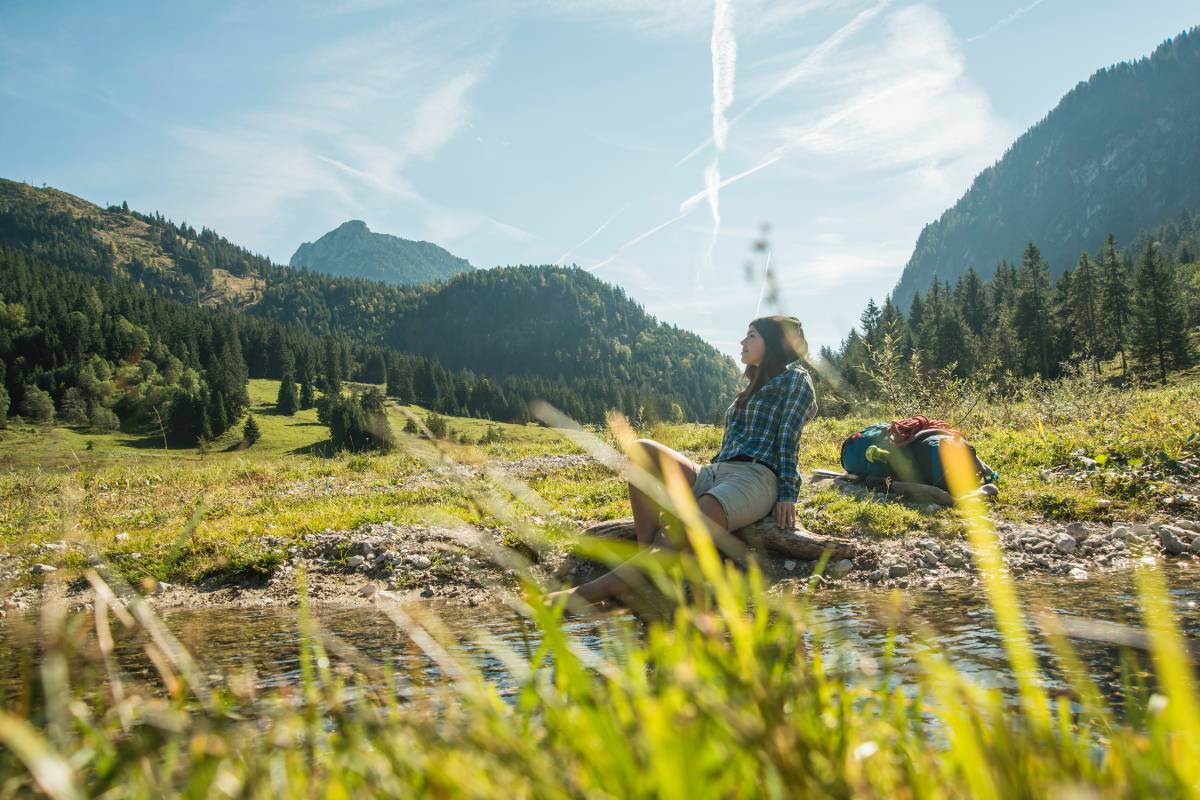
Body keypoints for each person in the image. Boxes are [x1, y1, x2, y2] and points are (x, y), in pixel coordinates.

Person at [552, 315, 819, 605]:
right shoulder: (751, 386)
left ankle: (578, 598)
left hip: (754, 478)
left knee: (672, 535)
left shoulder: (796, 378)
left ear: (774, 343)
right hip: (717, 473)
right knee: (642, 449)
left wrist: (788, 494)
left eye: (752, 335)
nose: (743, 342)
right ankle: (652, 568)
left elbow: (788, 437)